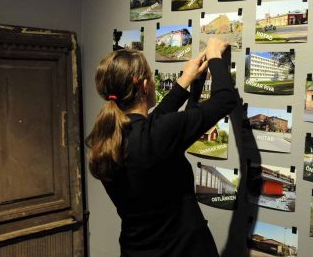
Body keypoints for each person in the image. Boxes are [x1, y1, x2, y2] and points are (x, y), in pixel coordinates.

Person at [86, 37, 238, 257]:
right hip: (185, 251)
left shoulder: (109, 136)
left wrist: (186, 81)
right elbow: (225, 100)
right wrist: (214, 54)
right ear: (145, 86)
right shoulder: (156, 134)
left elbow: (155, 124)